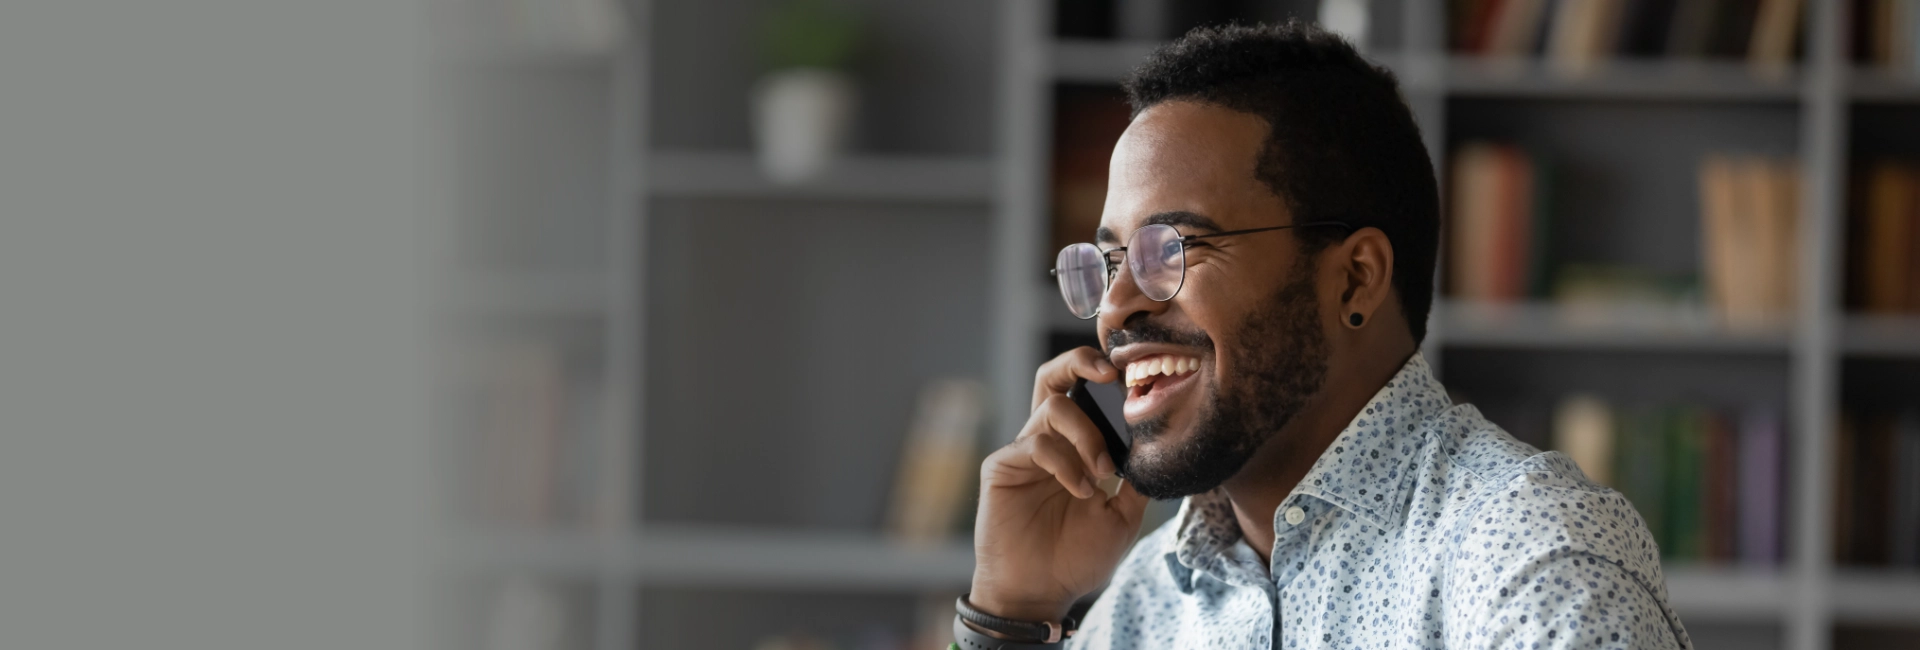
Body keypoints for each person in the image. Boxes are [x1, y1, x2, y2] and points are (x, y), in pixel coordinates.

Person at [955, 21, 1690, 650]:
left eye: (1172, 249)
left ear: (1354, 279)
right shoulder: (1145, 604)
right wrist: (1013, 609)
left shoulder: (1532, 557)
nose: (1113, 309)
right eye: (1109, 261)